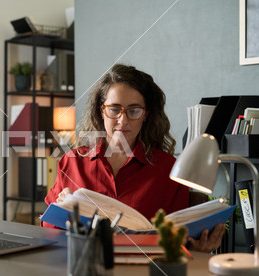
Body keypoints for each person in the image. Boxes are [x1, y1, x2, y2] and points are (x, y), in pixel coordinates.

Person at [42, 64, 225, 253]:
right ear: (101, 110)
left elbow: (177, 241)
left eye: (134, 111)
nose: (123, 120)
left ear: (146, 114)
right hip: (83, 267)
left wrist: (199, 248)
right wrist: (63, 207)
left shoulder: (168, 168)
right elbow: (48, 230)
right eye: (114, 110)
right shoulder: (72, 161)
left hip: (146, 272)